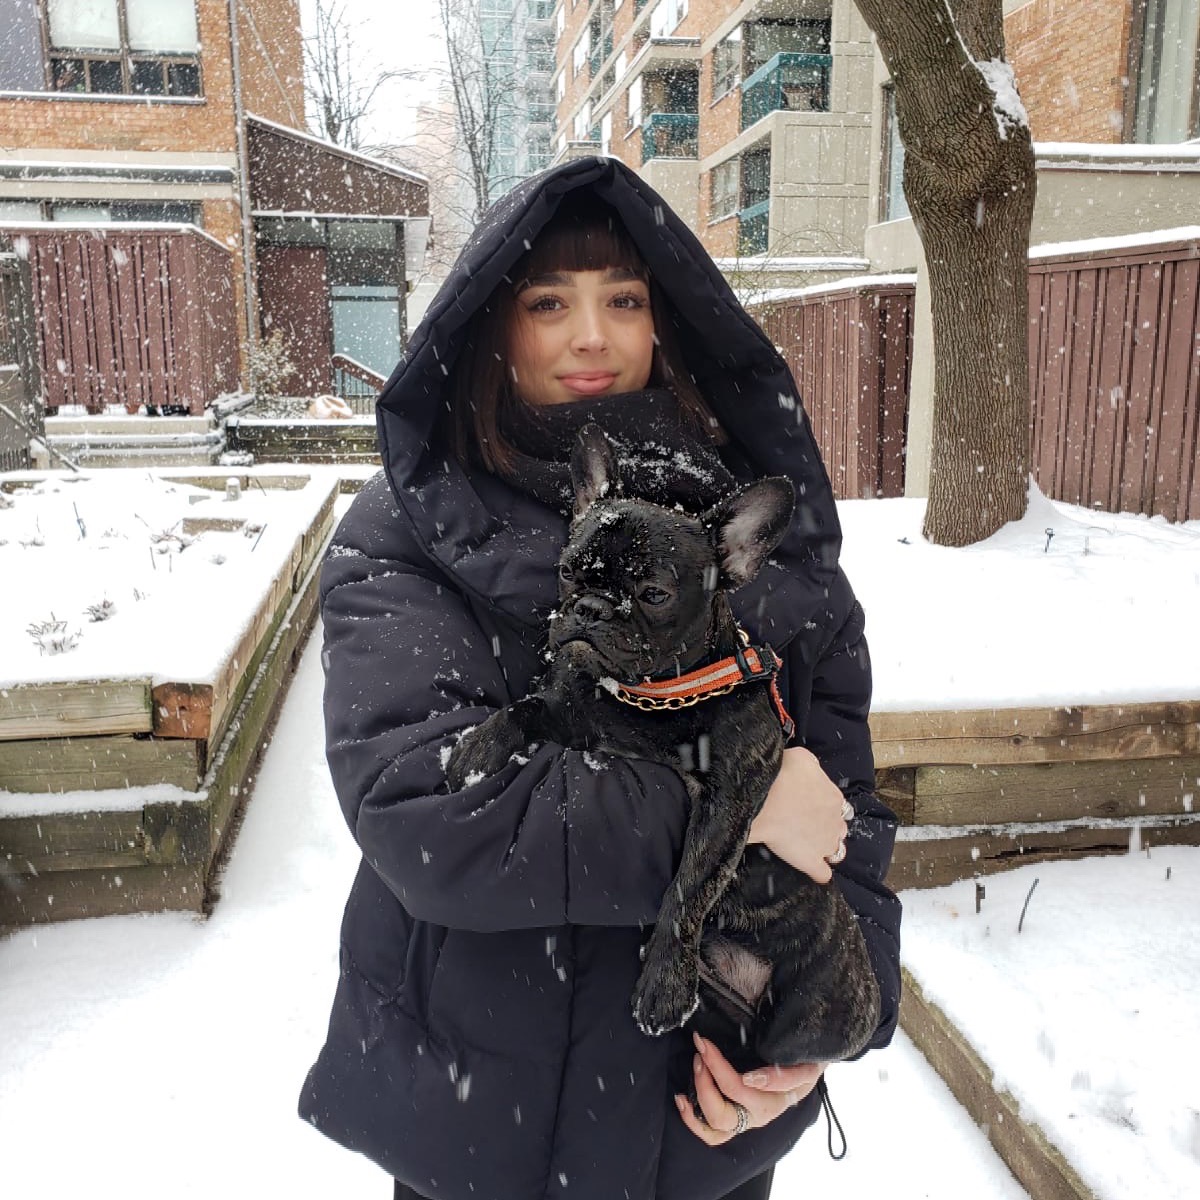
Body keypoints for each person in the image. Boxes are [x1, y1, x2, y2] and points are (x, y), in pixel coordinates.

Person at [300, 156, 901, 1200]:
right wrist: (735, 807)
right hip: (476, 1130)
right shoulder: (410, 535)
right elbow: (434, 809)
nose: (593, 335)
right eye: (549, 302)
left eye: (624, 298)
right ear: (493, 323)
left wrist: (815, 1037)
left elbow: (847, 817)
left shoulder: (765, 546)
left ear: (664, 319)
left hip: (696, 1123)